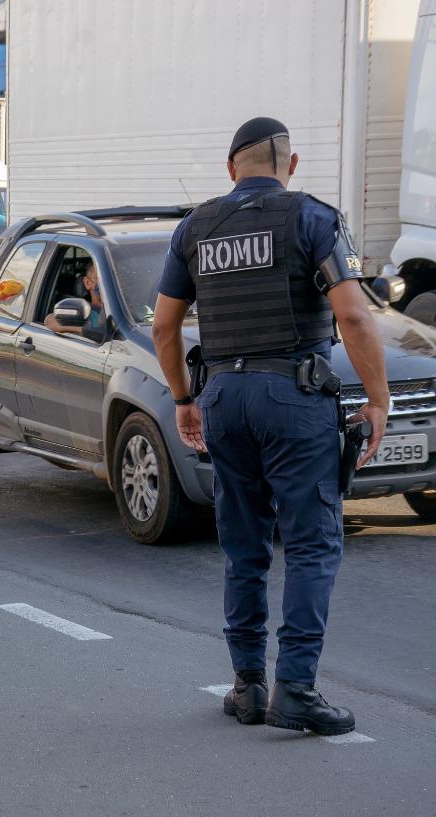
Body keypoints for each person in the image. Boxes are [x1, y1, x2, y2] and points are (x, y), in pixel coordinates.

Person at [152, 117, 389, 736]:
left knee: (244, 545)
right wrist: (379, 401)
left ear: (232, 168)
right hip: (292, 395)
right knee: (311, 544)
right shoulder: (312, 218)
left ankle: (248, 686)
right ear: (292, 163)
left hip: (223, 397)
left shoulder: (196, 227)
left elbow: (164, 327)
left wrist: (183, 398)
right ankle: (298, 689)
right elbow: (355, 320)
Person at [45, 258, 105, 341]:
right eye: (102, 279)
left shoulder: (125, 311)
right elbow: (50, 320)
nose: (110, 284)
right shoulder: (86, 311)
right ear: (87, 283)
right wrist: (87, 328)